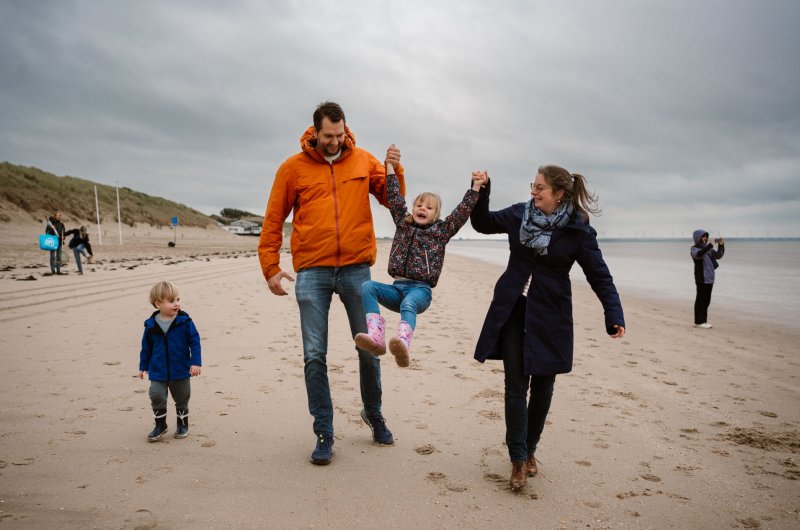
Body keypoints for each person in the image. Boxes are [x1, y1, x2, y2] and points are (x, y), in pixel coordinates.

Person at [257, 101, 405, 465]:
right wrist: (271, 267)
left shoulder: (363, 160)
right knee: (313, 354)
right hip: (312, 271)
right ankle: (324, 429)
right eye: (328, 136)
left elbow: (393, 201)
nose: (335, 141)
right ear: (315, 132)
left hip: (357, 268)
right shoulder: (292, 169)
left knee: (369, 345)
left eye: (340, 135)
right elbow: (274, 219)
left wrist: (394, 169)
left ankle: (374, 413)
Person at [470, 166, 625, 491]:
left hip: (550, 315)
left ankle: (530, 451)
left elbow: (599, 275)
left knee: (543, 388)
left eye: (540, 188)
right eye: (533, 185)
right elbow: (482, 223)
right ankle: (517, 459)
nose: (533, 192)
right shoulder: (518, 215)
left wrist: (613, 312)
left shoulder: (577, 229)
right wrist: (481, 190)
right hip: (513, 308)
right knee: (515, 385)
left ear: (559, 194)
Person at [355, 157, 487, 367]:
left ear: (437, 215)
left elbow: (462, 212)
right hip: (397, 288)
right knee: (367, 286)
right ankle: (376, 337)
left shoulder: (442, 231)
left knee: (408, 303)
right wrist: (389, 167)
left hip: (420, 292)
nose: (422, 209)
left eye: (429, 207)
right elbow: (394, 196)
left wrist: (476, 187)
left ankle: (403, 344)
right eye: (419, 204)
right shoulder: (403, 222)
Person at [138, 281, 202, 442]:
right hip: (157, 369)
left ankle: (182, 424)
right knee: (156, 395)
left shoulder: (185, 322)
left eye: (178, 300)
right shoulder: (151, 325)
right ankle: (160, 425)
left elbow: (194, 342)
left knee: (182, 397)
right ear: (158, 303)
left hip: (180, 368)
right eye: (171, 301)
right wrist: (143, 366)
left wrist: (195, 362)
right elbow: (146, 347)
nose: (177, 304)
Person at [690, 230, 725, 329]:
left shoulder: (708, 249)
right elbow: (699, 254)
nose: (705, 238)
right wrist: (709, 245)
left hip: (710, 278)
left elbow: (718, 255)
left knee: (707, 300)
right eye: (703, 237)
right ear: (698, 238)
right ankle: (699, 321)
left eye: (706, 237)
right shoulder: (694, 249)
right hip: (701, 278)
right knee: (701, 300)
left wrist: (721, 246)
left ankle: (703, 321)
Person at [45, 211, 65, 275]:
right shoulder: (50, 224)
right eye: (57, 215)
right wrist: (52, 229)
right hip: (52, 242)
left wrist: (63, 237)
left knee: (58, 256)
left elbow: (63, 233)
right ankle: (53, 270)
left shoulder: (62, 224)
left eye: (59, 216)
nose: (58, 217)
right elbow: (46, 232)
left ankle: (58, 270)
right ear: (55, 216)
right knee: (52, 256)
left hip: (59, 242)